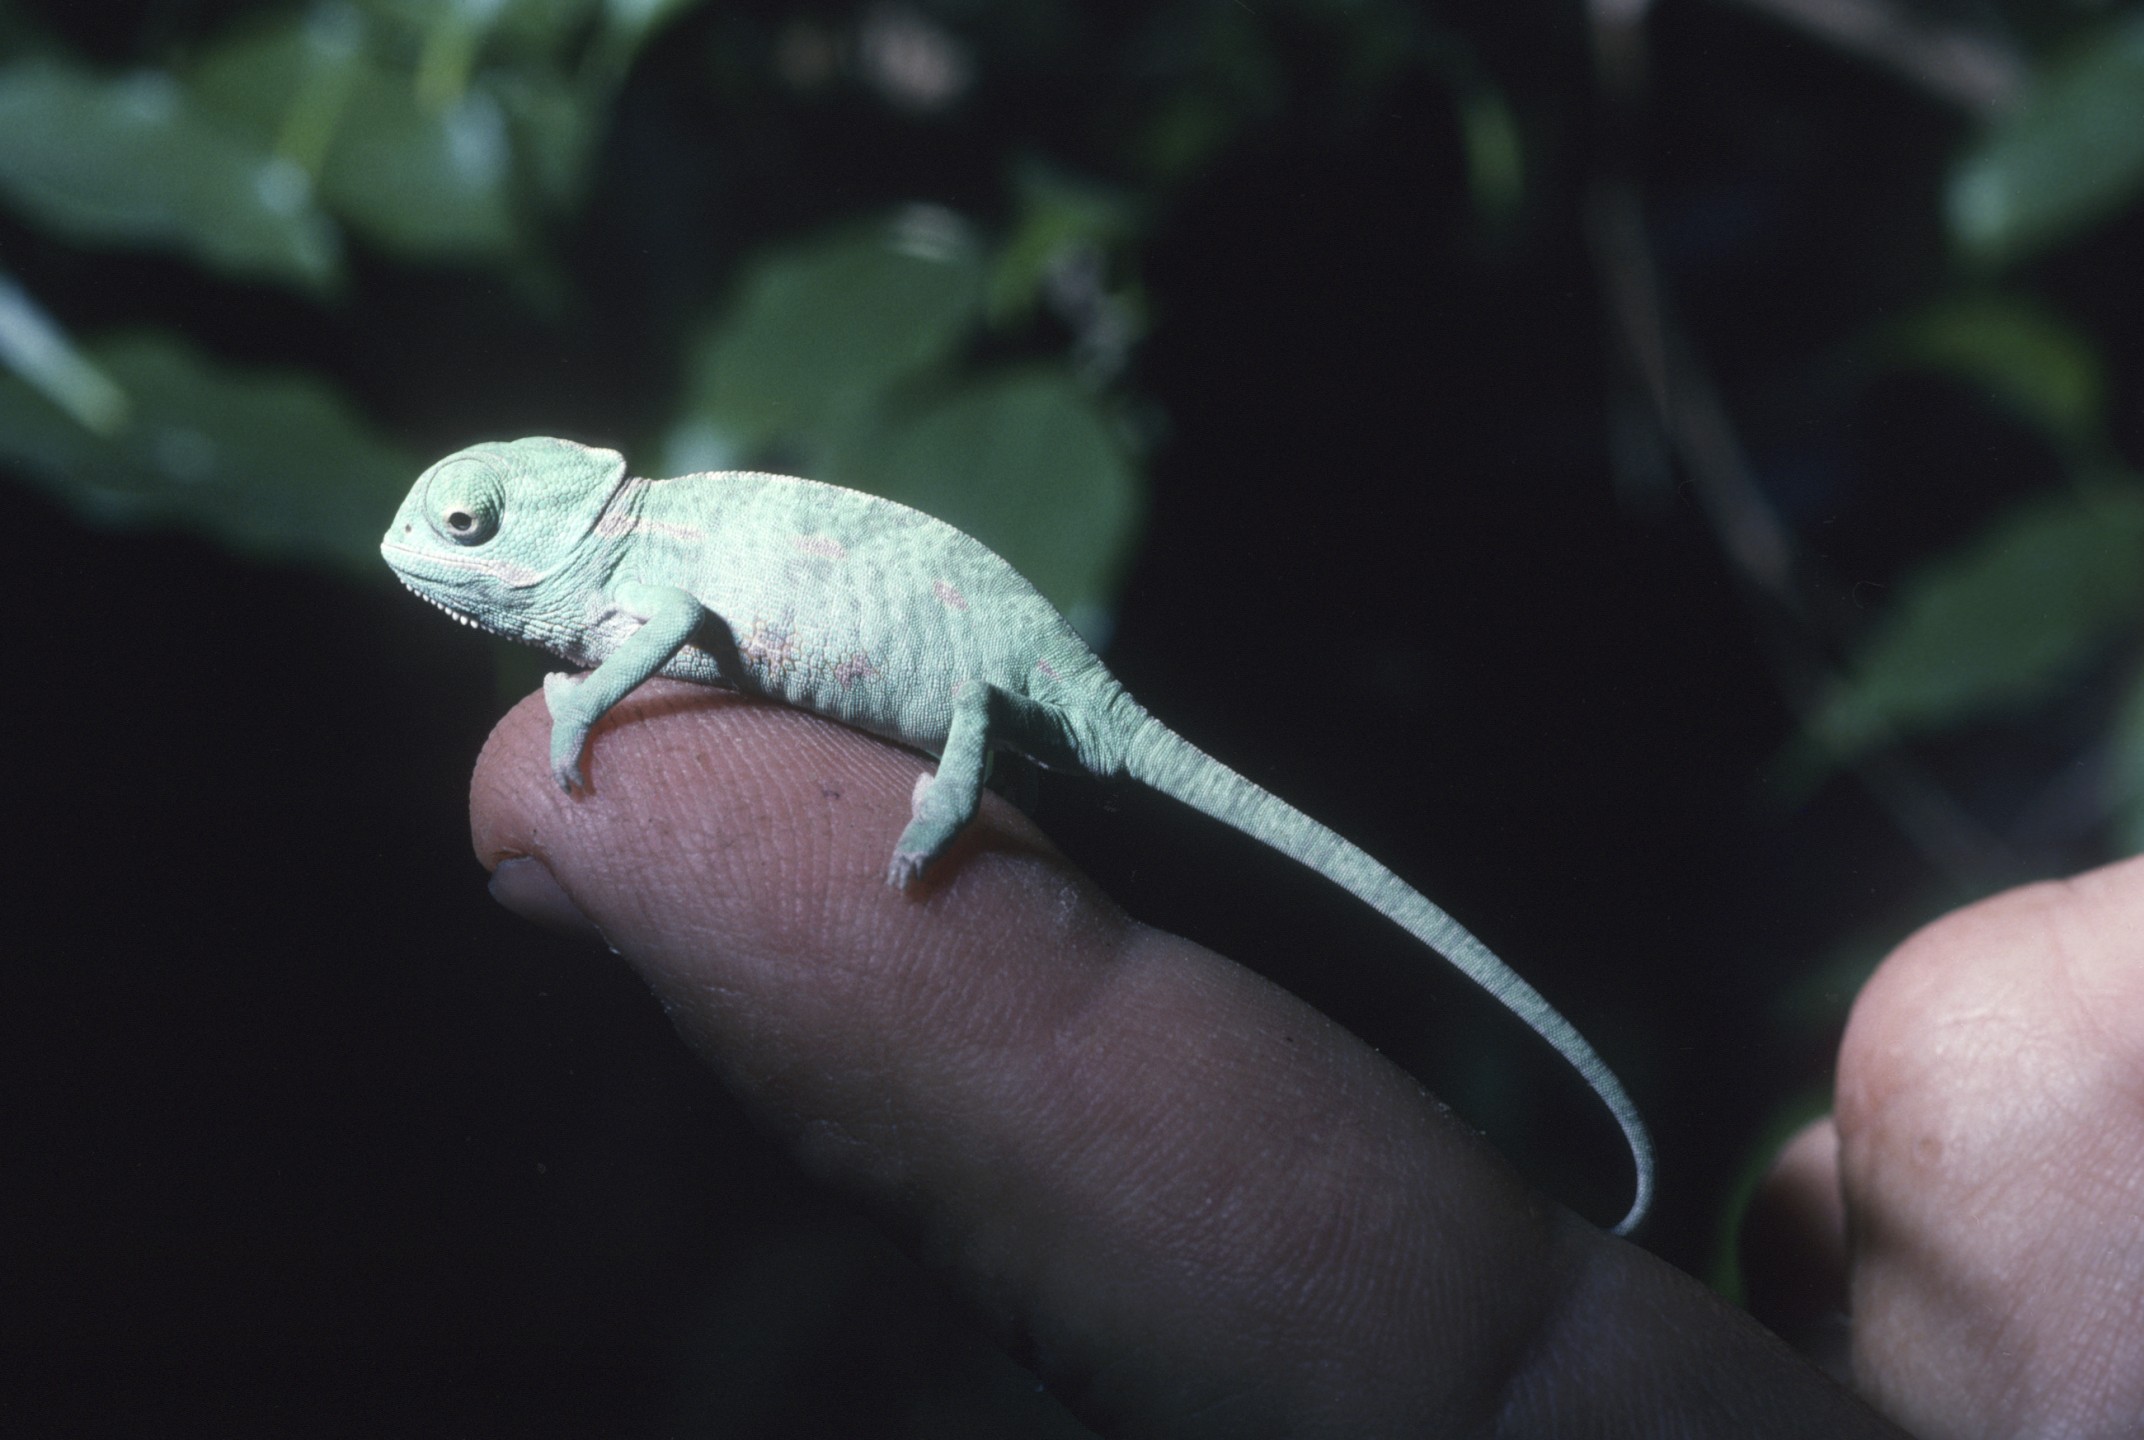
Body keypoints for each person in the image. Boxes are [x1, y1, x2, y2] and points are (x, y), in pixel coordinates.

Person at [473, 680, 2144, 1438]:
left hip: (991, 664)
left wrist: (594, 699)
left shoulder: (652, 568)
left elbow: (686, 624)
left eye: (480, 531)